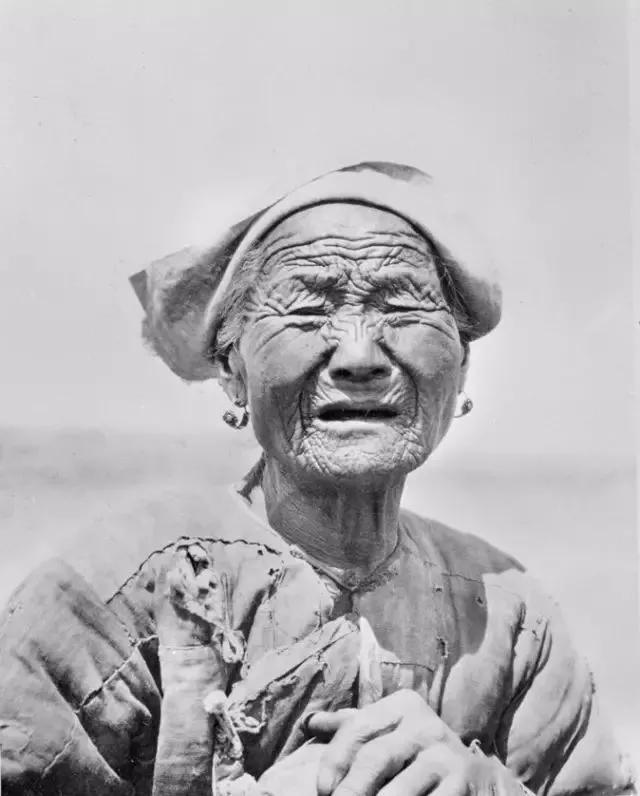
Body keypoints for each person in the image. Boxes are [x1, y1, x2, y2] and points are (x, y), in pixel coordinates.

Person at [0, 162, 634, 796]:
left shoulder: (509, 615)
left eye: (401, 305)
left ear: (462, 363)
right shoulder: (116, 596)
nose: (359, 357)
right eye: (306, 309)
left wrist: (481, 788)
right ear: (232, 370)